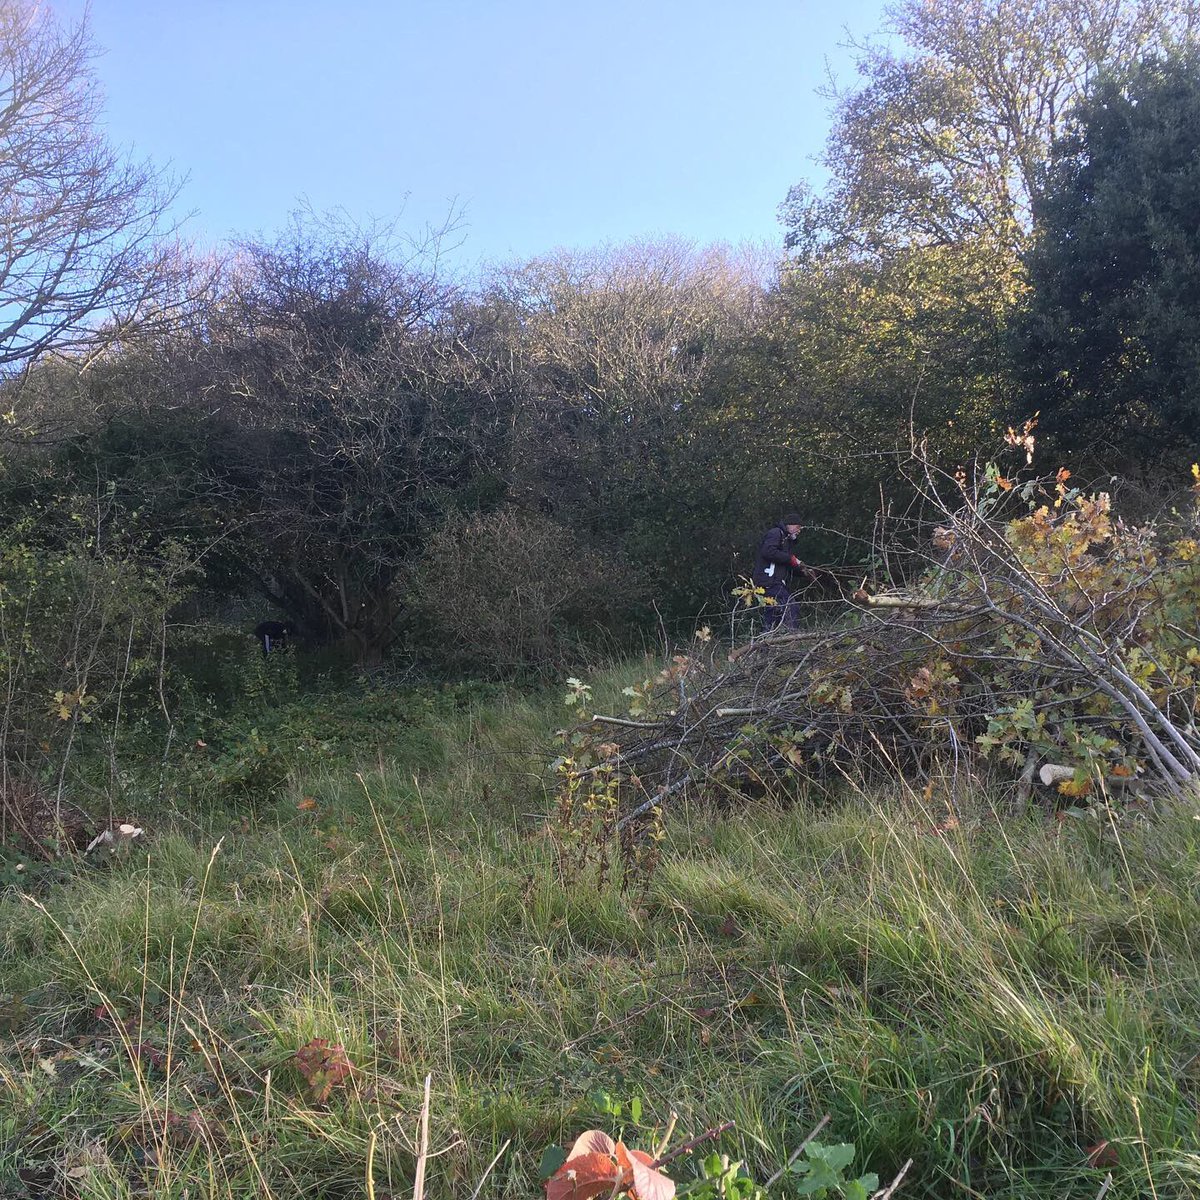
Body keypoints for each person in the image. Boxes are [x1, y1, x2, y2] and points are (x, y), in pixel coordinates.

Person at [752, 513, 815, 632]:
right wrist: (791, 559)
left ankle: (765, 645)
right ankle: (791, 638)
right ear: (789, 526)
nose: (799, 530)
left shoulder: (787, 542)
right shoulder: (776, 533)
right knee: (790, 607)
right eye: (798, 527)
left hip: (773, 582)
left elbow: (785, 564)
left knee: (772, 615)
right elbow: (768, 552)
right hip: (769, 581)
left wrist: (803, 572)